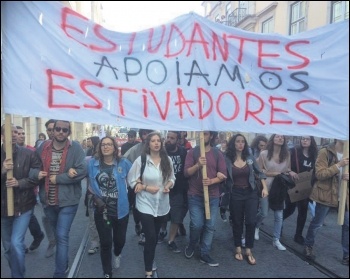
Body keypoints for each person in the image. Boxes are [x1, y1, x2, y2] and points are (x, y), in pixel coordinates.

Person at [36, 120, 87, 278]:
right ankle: (63, 263)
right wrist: (36, 175)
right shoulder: (43, 147)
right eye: (57, 129)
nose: (60, 132)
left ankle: (60, 273)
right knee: (58, 234)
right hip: (48, 201)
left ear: (68, 132)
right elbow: (33, 168)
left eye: (64, 130)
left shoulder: (76, 148)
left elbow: (82, 171)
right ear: (52, 130)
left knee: (62, 235)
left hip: (68, 201)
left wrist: (58, 178)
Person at [127, 131, 175, 278]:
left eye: (158, 141)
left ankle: (150, 255)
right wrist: (146, 187)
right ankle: (148, 270)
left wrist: (168, 185)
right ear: (148, 144)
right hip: (145, 203)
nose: (156, 143)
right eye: (153, 141)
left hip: (161, 204)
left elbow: (172, 178)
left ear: (161, 143)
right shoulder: (141, 160)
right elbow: (132, 179)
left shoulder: (167, 160)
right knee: (151, 236)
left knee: (152, 238)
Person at [1, 124, 42, 278]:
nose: (15, 135)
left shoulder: (29, 154)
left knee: (16, 244)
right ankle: (17, 272)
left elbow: (37, 177)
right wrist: (3, 170)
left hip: (23, 207)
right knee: (7, 248)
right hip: (3, 209)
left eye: (16, 132)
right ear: (2, 136)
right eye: (10, 132)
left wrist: (20, 183)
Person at [88, 136, 132, 278]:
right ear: (99, 148)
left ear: (114, 147)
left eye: (109, 144)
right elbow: (83, 175)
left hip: (121, 210)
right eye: (103, 145)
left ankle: (117, 253)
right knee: (106, 242)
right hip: (102, 210)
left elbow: (135, 179)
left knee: (120, 241)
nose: (105, 147)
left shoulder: (124, 163)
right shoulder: (92, 163)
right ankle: (107, 272)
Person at [184, 131, 227, 266]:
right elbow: (186, 173)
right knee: (197, 224)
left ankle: (204, 253)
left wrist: (212, 181)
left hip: (213, 196)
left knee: (210, 226)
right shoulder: (192, 153)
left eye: (206, 134)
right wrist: (197, 165)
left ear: (211, 136)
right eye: (201, 134)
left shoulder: (217, 153)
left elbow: (223, 175)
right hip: (195, 195)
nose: (202, 136)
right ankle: (192, 244)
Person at [225, 134, 268, 265]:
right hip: (235, 193)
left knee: (251, 221)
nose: (240, 144)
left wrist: (264, 188)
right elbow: (221, 172)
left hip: (250, 193)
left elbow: (260, 172)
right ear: (233, 144)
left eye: (243, 142)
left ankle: (248, 250)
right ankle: (238, 247)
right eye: (238, 142)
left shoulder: (249, 158)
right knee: (237, 221)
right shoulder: (227, 159)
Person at [304, 139, 349, 265]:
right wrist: (338, 165)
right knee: (317, 223)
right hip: (326, 194)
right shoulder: (325, 152)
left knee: (347, 225)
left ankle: (347, 255)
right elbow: (320, 174)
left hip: (345, 196)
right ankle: (308, 246)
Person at [255, 134, 297, 251]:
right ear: (273, 139)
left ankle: (276, 240)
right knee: (263, 213)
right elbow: (259, 171)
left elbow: (286, 169)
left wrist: (291, 172)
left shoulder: (287, 154)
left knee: (279, 215)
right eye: (277, 137)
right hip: (266, 187)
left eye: (282, 137)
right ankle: (256, 227)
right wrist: (275, 173)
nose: (280, 138)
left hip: (280, 188)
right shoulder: (264, 154)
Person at [283, 136, 318, 245]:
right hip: (294, 184)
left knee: (303, 212)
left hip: (307, 185)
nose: (305, 140)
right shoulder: (294, 151)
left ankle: (298, 235)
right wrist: (290, 172)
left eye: (307, 139)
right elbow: (285, 165)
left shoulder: (315, 154)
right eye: (303, 138)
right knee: (290, 209)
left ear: (311, 141)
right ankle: (278, 224)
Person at [16, 126, 45, 253]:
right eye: (17, 133)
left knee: (27, 217)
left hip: (28, 192)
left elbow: (36, 171)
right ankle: (20, 245)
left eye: (23, 133)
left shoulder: (31, 151)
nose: (21, 135)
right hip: (9, 194)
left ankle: (35, 236)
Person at [123, 129, 153, 242]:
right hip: (137, 184)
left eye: (147, 133)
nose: (145, 136)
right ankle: (137, 223)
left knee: (147, 210)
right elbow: (124, 160)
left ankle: (145, 233)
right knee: (136, 208)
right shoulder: (135, 149)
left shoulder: (157, 148)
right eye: (143, 134)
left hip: (151, 185)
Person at [163, 131, 188, 252]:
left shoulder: (183, 152)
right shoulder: (161, 152)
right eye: (167, 137)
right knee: (162, 214)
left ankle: (171, 240)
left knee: (176, 215)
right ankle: (162, 230)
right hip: (162, 189)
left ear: (177, 140)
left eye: (172, 138)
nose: (169, 140)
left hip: (178, 189)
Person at [84, 137, 101, 255]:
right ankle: (95, 242)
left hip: (110, 197)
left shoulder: (116, 162)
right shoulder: (89, 161)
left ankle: (107, 241)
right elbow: (82, 173)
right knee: (93, 220)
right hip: (92, 195)